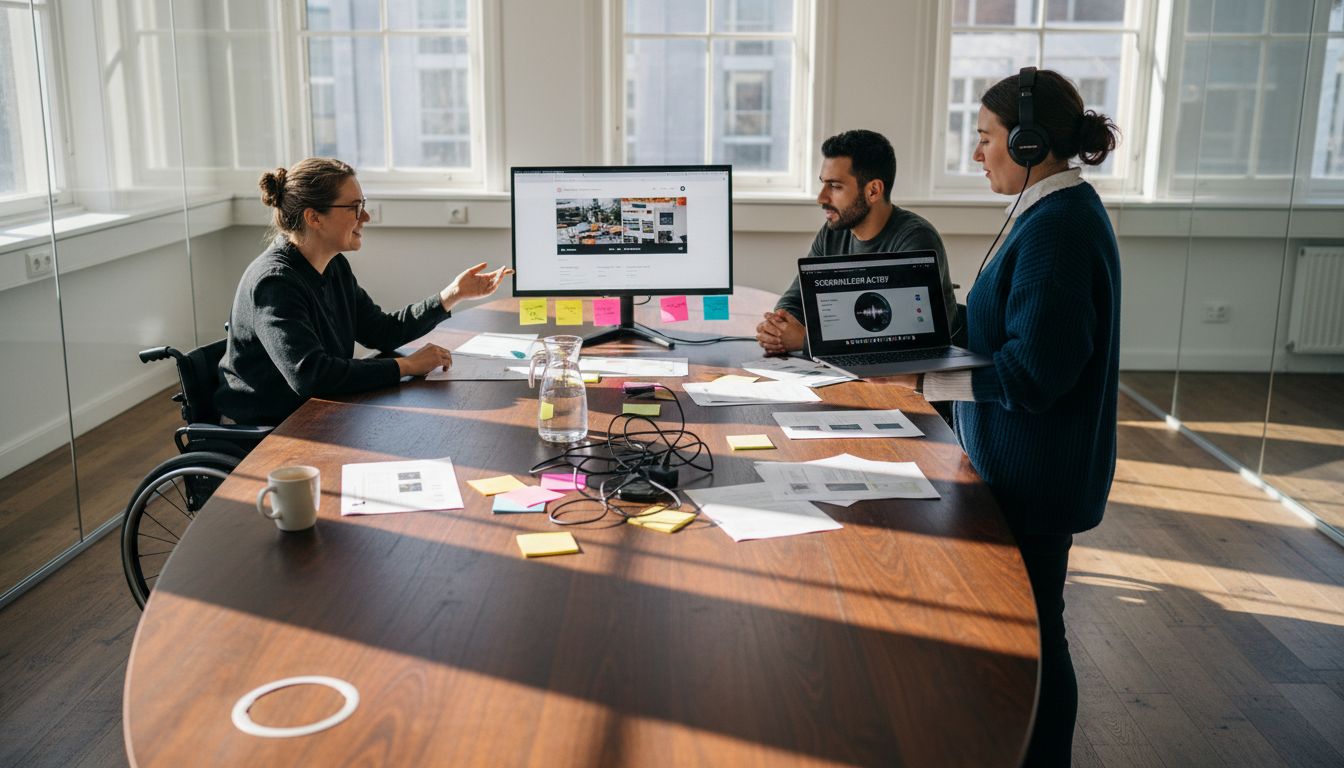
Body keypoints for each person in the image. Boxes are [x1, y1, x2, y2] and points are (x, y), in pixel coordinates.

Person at [914, 69, 1122, 766]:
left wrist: (924, 374)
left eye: (986, 139)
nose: (977, 155)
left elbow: (1034, 374)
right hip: (1017, 467)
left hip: (1036, 479)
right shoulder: (1042, 213)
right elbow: (997, 329)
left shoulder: (1058, 230)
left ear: (1029, 142)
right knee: (1022, 629)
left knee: (1036, 634)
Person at [215, 157, 512, 426]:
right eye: (354, 208)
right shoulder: (274, 282)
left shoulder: (334, 267)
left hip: (316, 412)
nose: (365, 217)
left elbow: (380, 331)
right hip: (269, 429)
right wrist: (405, 365)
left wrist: (452, 294)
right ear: (313, 218)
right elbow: (312, 376)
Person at [755, 129, 957, 355]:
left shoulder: (915, 239)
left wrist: (804, 340)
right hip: (851, 368)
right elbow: (797, 298)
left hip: (913, 376)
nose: (821, 198)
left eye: (835, 186)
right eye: (823, 184)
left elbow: (897, 336)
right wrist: (779, 328)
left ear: (873, 191)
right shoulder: (834, 232)